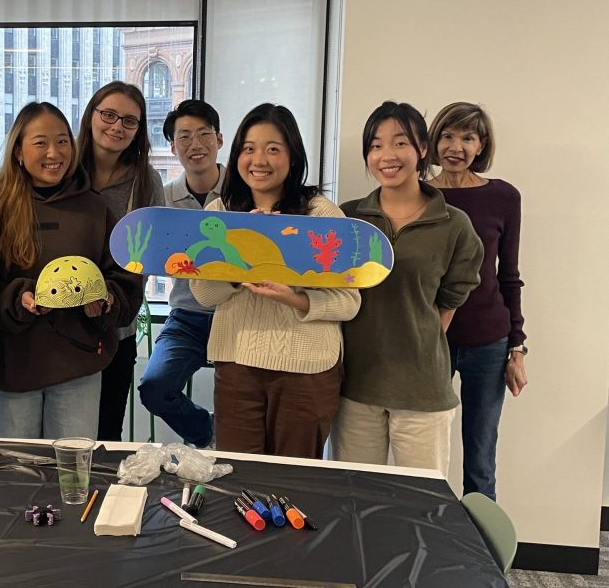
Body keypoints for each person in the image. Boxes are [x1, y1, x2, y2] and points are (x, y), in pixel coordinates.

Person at [190, 103, 360, 457]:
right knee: (241, 483)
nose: (259, 160)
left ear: (293, 156)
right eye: (249, 149)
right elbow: (204, 293)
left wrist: (294, 299)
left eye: (273, 149)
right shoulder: (219, 214)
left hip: (307, 369)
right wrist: (244, 256)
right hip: (238, 364)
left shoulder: (321, 214)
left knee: (294, 484)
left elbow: (350, 302)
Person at [0, 102, 141, 438]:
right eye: (40, 143)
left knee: (72, 475)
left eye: (63, 141)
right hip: (13, 367)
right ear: (18, 151)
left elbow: (125, 277)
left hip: (79, 367)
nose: (54, 152)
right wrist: (20, 298)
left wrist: (105, 299)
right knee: (15, 471)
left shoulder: (95, 209)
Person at [334, 101, 483, 474]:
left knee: (422, 504)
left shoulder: (454, 223)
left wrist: (415, 340)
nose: (387, 155)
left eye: (400, 143)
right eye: (376, 145)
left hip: (422, 391)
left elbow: (451, 299)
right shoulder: (348, 217)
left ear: (422, 149)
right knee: (354, 498)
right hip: (356, 386)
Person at [427, 101, 526, 499]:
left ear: (481, 145)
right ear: (434, 141)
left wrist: (517, 347)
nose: (456, 146)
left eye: (467, 137)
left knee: (480, 461)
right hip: (433, 340)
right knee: (427, 454)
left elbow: (509, 276)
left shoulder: (504, 197)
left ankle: (482, 558)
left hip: (489, 341)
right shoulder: (418, 195)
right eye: (448, 135)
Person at [74, 81, 163, 440]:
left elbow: (154, 254)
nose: (116, 127)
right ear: (90, 116)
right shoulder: (64, 170)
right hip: (61, 326)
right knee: (65, 434)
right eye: (108, 115)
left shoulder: (146, 181)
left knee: (106, 433)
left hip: (117, 327)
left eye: (129, 121)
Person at [137, 99, 225, 447]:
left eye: (204, 134)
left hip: (236, 314)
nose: (195, 144)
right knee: (154, 387)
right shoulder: (165, 197)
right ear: (172, 147)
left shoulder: (243, 190)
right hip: (187, 316)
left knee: (244, 399)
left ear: (219, 139)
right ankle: (209, 431)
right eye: (184, 136)